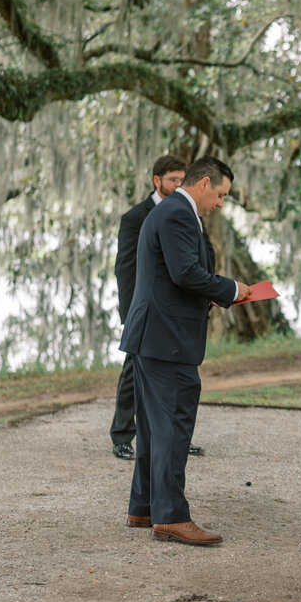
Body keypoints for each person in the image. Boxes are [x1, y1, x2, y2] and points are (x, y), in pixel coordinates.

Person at [120, 157, 252, 545]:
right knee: (173, 427)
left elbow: (171, 277)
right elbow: (185, 272)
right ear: (205, 183)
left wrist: (211, 297)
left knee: (151, 426)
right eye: (221, 195)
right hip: (166, 339)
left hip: (154, 335)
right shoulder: (179, 213)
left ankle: (143, 507)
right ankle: (172, 516)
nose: (221, 204)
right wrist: (230, 290)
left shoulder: (172, 211)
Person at [111, 155, 193, 461]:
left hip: (175, 312)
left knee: (176, 374)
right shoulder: (135, 218)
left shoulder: (188, 214)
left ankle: (175, 435)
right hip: (143, 312)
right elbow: (125, 268)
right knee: (134, 372)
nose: (178, 185)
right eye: (173, 179)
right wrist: (130, 313)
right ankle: (121, 436)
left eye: (182, 180)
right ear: (157, 181)